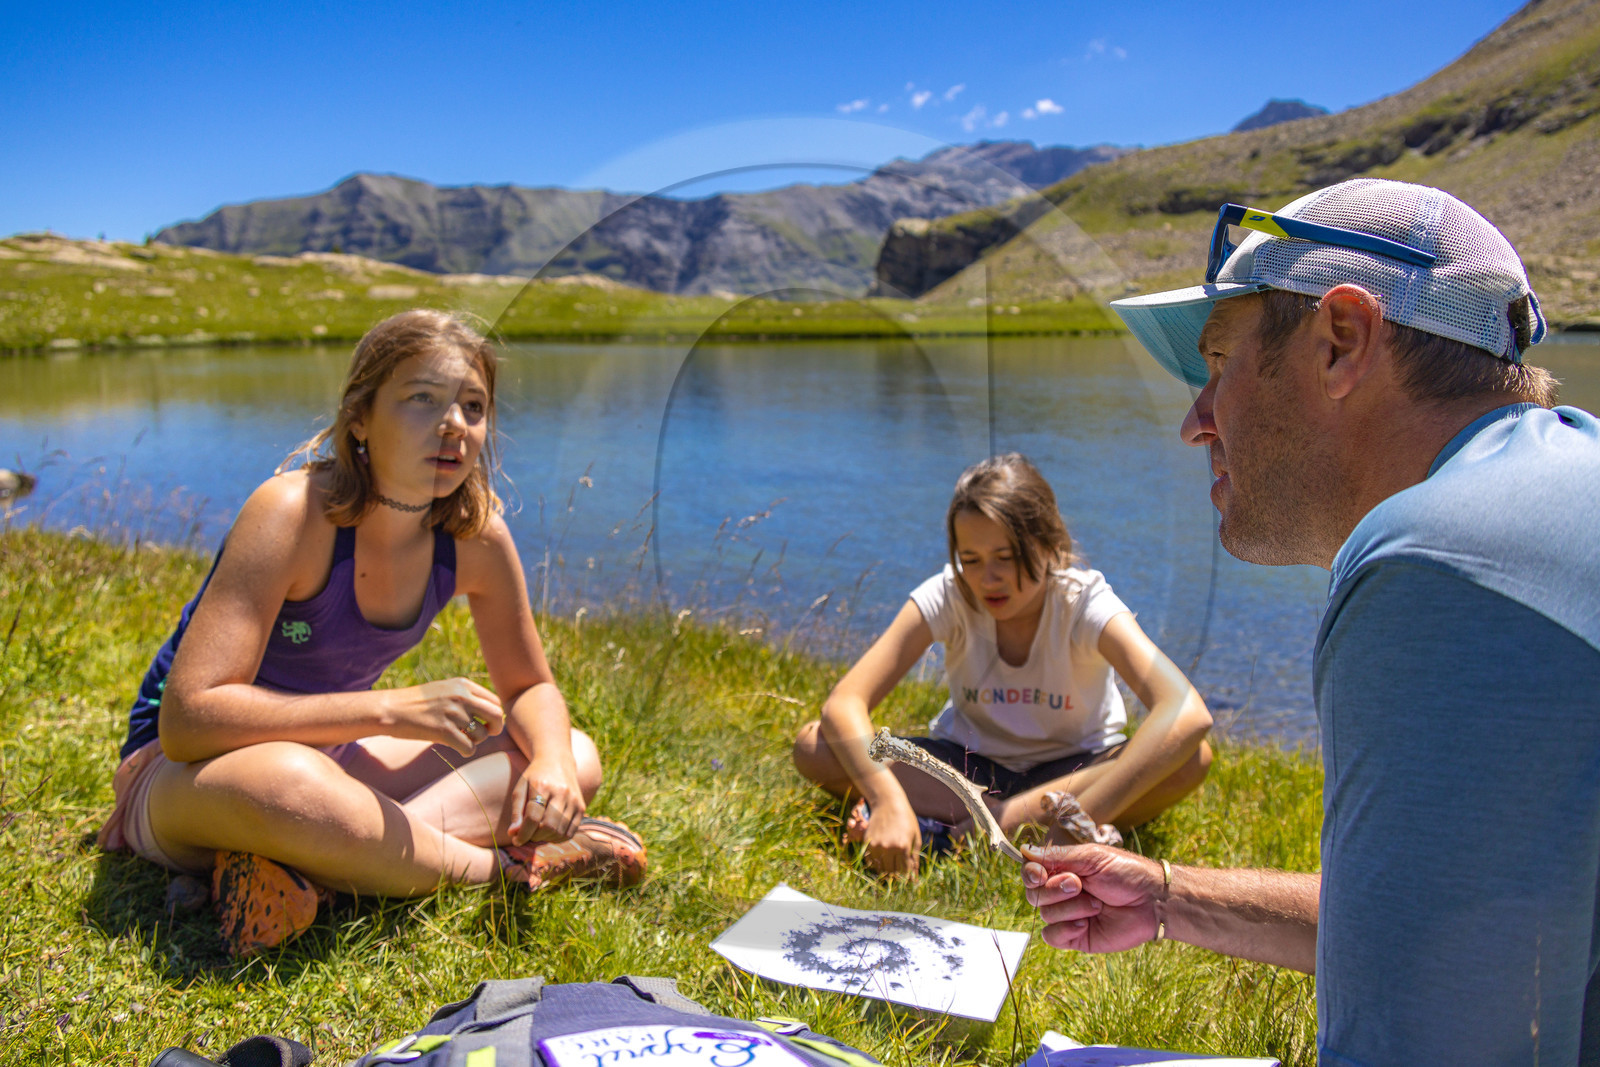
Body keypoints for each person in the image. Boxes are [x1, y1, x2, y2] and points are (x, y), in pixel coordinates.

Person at [1023, 178, 1600, 1063]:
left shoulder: (1437, 564)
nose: (1194, 421)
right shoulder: (1555, 480)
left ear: (1341, 342)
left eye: (1219, 364)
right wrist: (1169, 897)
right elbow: (1452, 921)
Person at [96, 309, 646, 956]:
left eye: (473, 406)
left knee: (575, 755)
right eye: (422, 399)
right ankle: (507, 872)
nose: (454, 426)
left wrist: (550, 762)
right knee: (290, 785)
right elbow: (187, 722)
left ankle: (316, 868)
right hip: (189, 772)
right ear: (360, 417)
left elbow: (530, 687)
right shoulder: (292, 512)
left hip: (333, 759)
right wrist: (389, 709)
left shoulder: (476, 537)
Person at [793, 453, 1214, 876]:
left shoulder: (1084, 602)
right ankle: (973, 829)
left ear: (1052, 546)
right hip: (963, 769)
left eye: (1006, 557)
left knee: (1190, 759)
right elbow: (845, 703)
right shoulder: (948, 595)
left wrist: (1074, 817)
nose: (987, 579)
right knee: (816, 747)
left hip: (1075, 775)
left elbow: (1186, 712)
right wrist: (886, 798)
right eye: (970, 559)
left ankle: (975, 831)